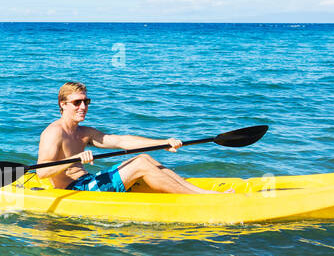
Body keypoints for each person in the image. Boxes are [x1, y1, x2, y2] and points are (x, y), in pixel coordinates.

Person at [36, 82, 219, 194]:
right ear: (63, 104)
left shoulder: (84, 131)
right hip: (74, 190)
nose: (83, 106)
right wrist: (73, 160)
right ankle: (202, 198)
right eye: (77, 102)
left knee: (144, 158)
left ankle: (202, 193)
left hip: (88, 180)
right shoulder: (54, 132)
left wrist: (162, 143)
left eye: (86, 101)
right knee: (140, 165)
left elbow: (121, 141)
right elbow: (41, 173)